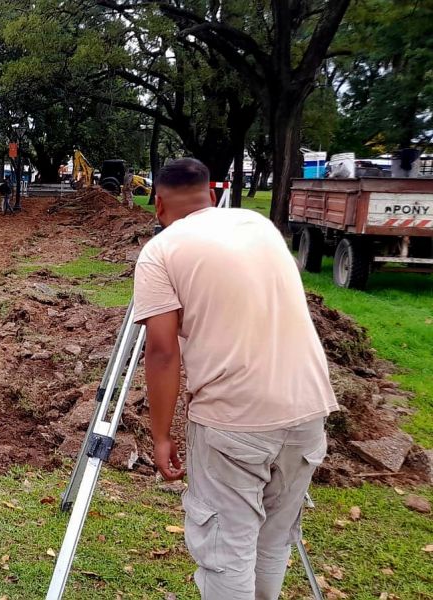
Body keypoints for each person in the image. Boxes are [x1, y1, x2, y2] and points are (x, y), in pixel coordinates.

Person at [132, 158, 337, 600]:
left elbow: (163, 350)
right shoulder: (257, 226)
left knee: (228, 549)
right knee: (271, 541)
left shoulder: (160, 251)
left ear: (158, 206)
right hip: (308, 409)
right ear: (211, 196)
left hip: (234, 420)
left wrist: (161, 436)